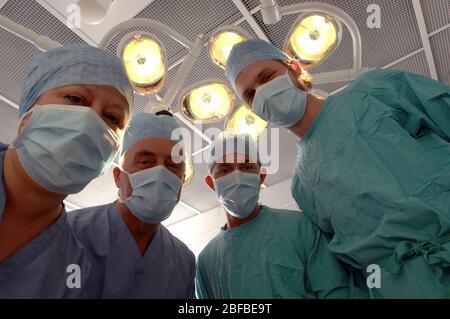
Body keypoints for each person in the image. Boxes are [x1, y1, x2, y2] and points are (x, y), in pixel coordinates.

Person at [225, 38, 450, 298]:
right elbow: (349, 267)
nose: (262, 92)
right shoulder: (302, 185)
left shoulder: (372, 90)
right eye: (251, 95)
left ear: (295, 68)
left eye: (267, 76)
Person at [0, 44, 134, 298]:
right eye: (75, 99)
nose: (90, 121)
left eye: (113, 118)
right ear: (29, 110)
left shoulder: (74, 272)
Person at [195, 133, 365, 299]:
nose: (237, 176)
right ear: (211, 183)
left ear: (261, 177)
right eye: (225, 170)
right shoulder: (205, 261)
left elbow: (335, 291)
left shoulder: (300, 227)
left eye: (247, 167)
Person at [68, 112, 196, 299]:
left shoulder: (183, 260)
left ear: (182, 182)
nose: (160, 172)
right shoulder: (70, 231)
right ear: (118, 176)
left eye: (172, 165)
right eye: (145, 162)